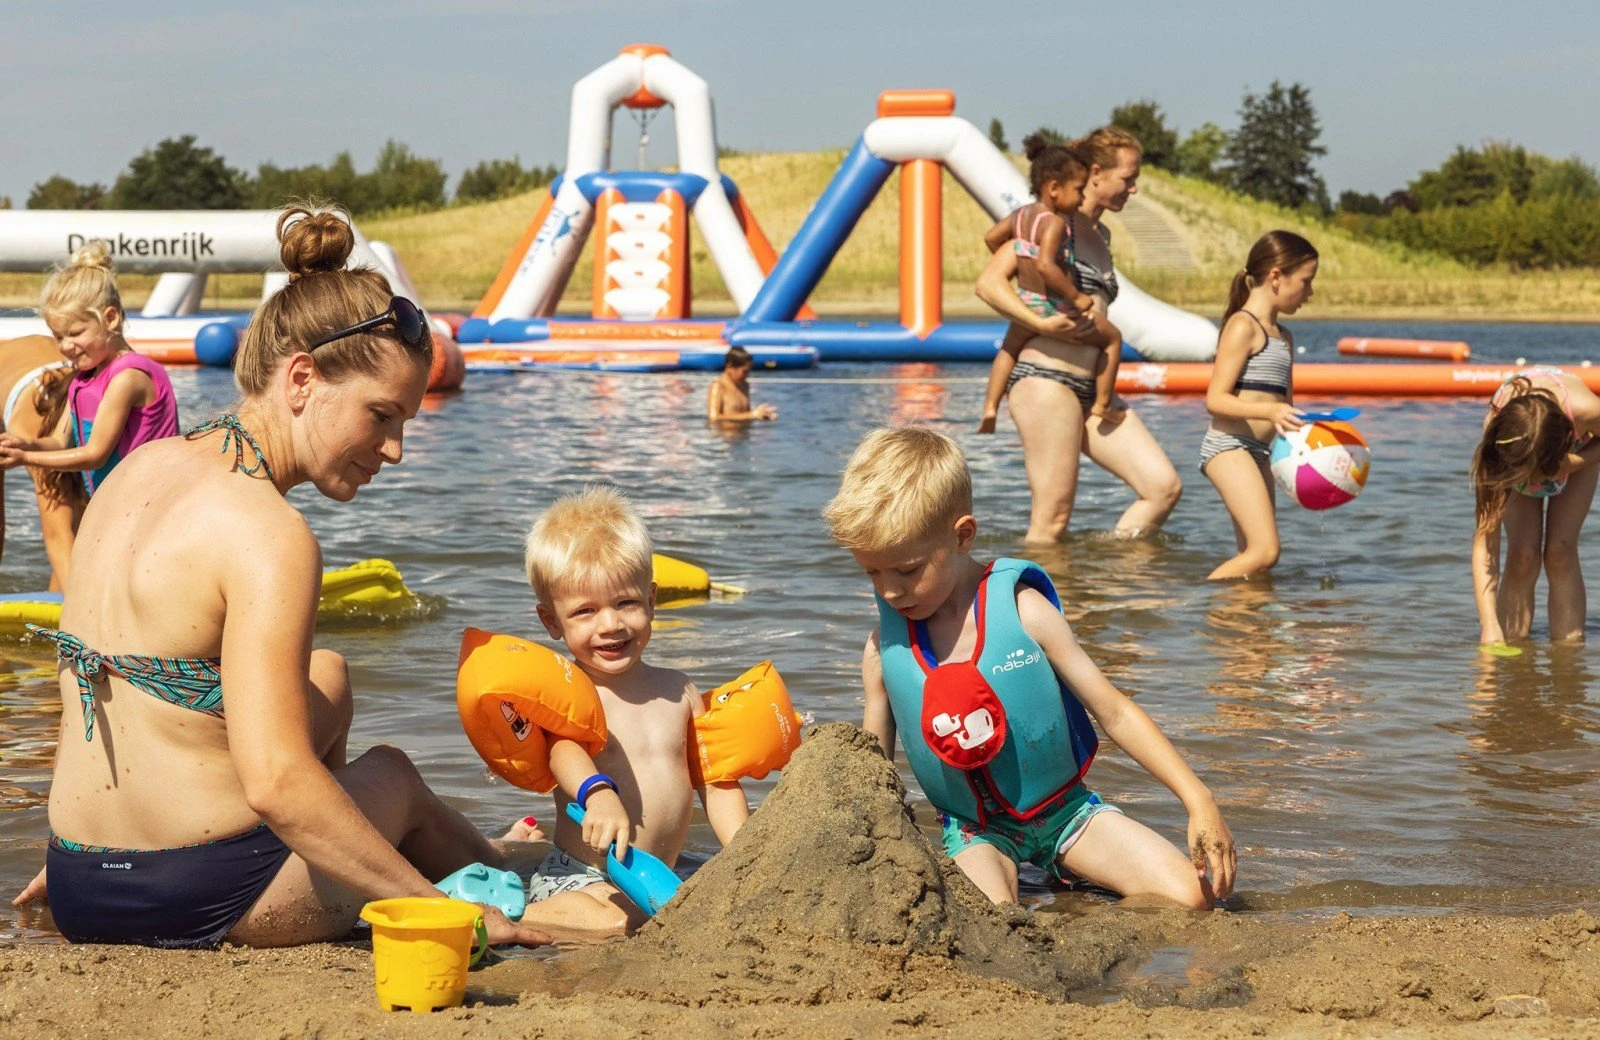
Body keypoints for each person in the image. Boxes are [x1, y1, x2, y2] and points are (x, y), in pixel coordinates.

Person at [10, 205, 547, 951]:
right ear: (301, 378)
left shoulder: (138, 468)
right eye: (382, 416)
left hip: (77, 884)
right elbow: (276, 783)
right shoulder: (270, 532)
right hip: (200, 900)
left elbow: (94, 687)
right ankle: (515, 888)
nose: (392, 450)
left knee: (327, 672)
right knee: (391, 776)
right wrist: (439, 910)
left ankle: (358, 854)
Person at [824, 426, 1235, 908]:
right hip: (975, 832)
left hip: (1066, 814)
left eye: (908, 570)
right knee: (992, 922)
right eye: (872, 571)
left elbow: (1115, 712)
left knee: (1190, 898)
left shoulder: (1025, 611)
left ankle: (1080, 918)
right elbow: (872, 774)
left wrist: (1198, 799)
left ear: (962, 536)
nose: (890, 590)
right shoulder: (882, 652)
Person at [515, 485, 752, 938]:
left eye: (625, 602)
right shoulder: (572, 690)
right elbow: (562, 751)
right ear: (551, 622)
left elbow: (714, 782)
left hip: (653, 874)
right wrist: (597, 794)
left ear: (651, 600)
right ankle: (515, 914)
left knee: (677, 906)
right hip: (582, 875)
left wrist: (747, 852)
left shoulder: (679, 690)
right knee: (617, 921)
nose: (611, 624)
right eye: (585, 611)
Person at [975, 126, 1182, 543]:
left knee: (1162, 489)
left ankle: (1106, 585)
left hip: (1092, 390)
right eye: (1128, 177)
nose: (1134, 188)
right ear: (1095, 174)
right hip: (1046, 380)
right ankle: (1034, 604)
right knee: (1052, 519)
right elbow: (989, 284)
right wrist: (1040, 323)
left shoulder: (1101, 236)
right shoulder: (1049, 220)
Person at [0, 244, 180, 584]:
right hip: (119, 507)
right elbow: (57, 440)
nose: (66, 346)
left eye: (76, 333)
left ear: (110, 318)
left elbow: (95, 455)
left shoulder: (128, 377)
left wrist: (25, 455)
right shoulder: (82, 380)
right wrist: (26, 444)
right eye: (59, 336)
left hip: (153, 509)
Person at [978, 135, 1122, 430]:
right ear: (1054, 188)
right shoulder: (1055, 223)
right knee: (1113, 338)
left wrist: (1020, 258)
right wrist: (1075, 295)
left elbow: (991, 237)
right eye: (1078, 191)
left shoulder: (1020, 216)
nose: (1082, 198)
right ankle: (1103, 403)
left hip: (1027, 299)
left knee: (1008, 349)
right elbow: (1046, 266)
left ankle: (991, 406)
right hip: (1055, 306)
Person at [1200, 231, 1319, 580]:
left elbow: (1285, 406)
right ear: (1276, 277)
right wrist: (1269, 412)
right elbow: (1215, 400)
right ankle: (1197, 601)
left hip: (1260, 452)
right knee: (1265, 551)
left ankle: (1247, 629)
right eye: (1306, 282)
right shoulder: (1242, 326)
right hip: (1227, 447)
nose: (1310, 293)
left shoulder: (1284, 336)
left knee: (1254, 559)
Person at [1471, 367, 1600, 651]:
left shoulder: (1586, 410)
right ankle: (1513, 648)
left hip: (1578, 453)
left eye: (1537, 475)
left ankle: (1568, 655)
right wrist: (1488, 624)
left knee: (1559, 551)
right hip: (1520, 450)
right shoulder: (1498, 441)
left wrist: (1574, 463)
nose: (1533, 484)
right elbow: (1486, 542)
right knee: (1522, 555)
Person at [0, 335, 79, 588]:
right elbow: (58, 537)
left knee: (78, 526)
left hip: (55, 373)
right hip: (31, 389)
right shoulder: (39, 422)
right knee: (63, 527)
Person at [706, 346, 777, 422]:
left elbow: (745, 415)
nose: (748, 375)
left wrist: (761, 415)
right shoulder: (718, 386)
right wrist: (752, 415)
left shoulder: (744, 385)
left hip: (744, 432)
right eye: (744, 371)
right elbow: (713, 417)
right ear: (730, 367)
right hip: (725, 433)